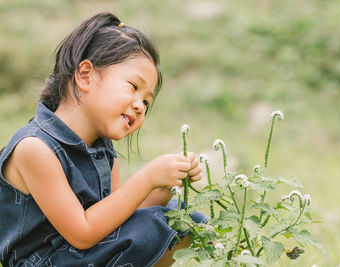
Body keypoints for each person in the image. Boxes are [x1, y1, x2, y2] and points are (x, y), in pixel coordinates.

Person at [0, 12, 207, 267]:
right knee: (153, 227)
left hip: (81, 258)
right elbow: (83, 233)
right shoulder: (34, 148)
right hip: (46, 262)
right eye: (133, 87)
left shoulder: (102, 151)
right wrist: (147, 177)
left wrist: (163, 186)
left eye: (146, 101)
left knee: (183, 216)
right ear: (85, 75)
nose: (140, 106)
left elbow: (119, 222)